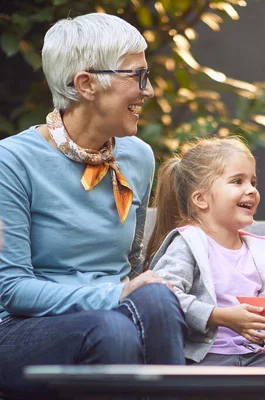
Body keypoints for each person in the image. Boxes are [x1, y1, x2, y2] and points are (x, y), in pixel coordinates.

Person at [0, 13, 187, 396]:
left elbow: (134, 265)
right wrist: (114, 295)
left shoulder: (137, 156)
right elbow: (12, 289)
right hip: (24, 330)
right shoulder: (13, 161)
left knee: (157, 297)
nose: (148, 91)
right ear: (86, 84)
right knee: (113, 329)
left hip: (115, 316)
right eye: (137, 76)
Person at [145, 136, 265, 400]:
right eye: (238, 181)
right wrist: (221, 316)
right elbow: (162, 299)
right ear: (201, 199)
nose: (251, 190)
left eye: (253, 182)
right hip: (204, 362)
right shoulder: (188, 243)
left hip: (255, 358)